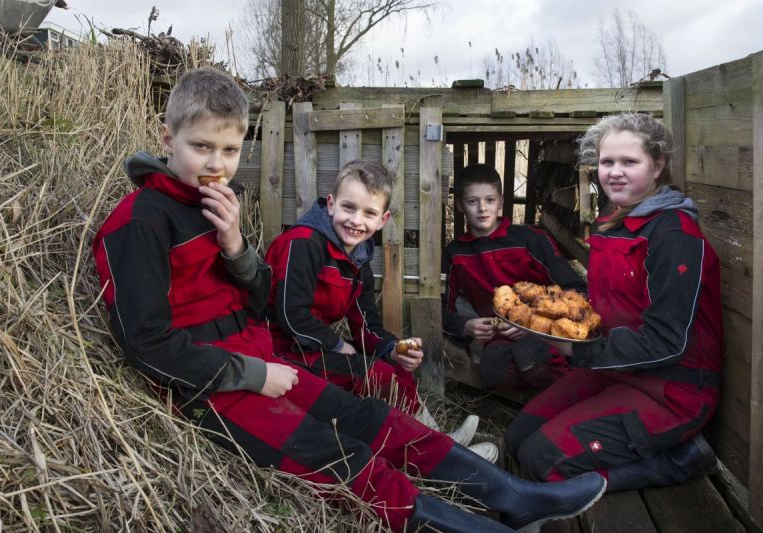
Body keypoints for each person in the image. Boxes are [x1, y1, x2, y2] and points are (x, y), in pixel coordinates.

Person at [92, 68, 607, 531]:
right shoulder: (139, 222)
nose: (217, 165)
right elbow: (147, 343)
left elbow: (255, 301)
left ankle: (513, 495)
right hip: (214, 387)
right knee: (344, 458)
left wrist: (236, 249)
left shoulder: (215, 209)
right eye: (202, 147)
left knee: (372, 418)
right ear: (168, 139)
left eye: (230, 150)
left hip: (264, 361)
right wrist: (254, 374)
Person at [504, 113, 722, 492]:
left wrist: (578, 350)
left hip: (672, 389)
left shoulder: (673, 235)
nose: (615, 173)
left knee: (542, 459)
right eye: (607, 162)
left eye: (629, 162)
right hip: (617, 370)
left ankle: (675, 462)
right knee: (516, 437)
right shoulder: (616, 221)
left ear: (658, 165)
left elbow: (668, 341)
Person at [265, 160, 491, 456]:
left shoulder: (358, 260)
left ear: (382, 220)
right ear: (331, 204)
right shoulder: (303, 242)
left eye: (369, 213)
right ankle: (440, 450)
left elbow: (366, 326)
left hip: (312, 346)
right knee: (377, 376)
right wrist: (338, 346)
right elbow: (291, 315)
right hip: (277, 349)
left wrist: (393, 348)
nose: (357, 221)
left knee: (394, 367)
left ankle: (436, 438)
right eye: (349, 208)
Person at [443, 163, 586, 392]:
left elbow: (576, 289)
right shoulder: (456, 254)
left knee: (530, 357)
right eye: (472, 201)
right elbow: (442, 308)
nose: (482, 208)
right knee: (492, 374)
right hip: (499, 336)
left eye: (489, 200)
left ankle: (577, 395)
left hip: (546, 331)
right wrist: (465, 326)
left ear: (500, 202)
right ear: (459, 204)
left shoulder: (530, 240)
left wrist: (531, 320)